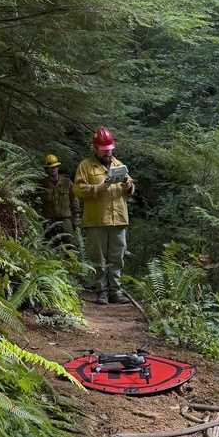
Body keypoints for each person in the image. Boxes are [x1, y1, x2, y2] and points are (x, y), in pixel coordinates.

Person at [73, 127, 134, 305]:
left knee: (117, 257)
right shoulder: (85, 166)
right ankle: (102, 292)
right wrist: (96, 188)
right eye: (104, 149)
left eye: (110, 149)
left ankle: (116, 291)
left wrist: (129, 187)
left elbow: (130, 185)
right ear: (95, 148)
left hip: (118, 218)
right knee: (98, 258)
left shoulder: (119, 165)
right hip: (96, 219)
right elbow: (78, 188)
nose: (108, 152)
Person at [39, 153, 80, 248]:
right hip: (49, 222)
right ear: (46, 169)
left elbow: (74, 200)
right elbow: (36, 202)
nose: (53, 169)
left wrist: (76, 217)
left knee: (70, 247)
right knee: (50, 247)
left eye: (55, 167)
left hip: (65, 221)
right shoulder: (41, 185)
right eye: (50, 168)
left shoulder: (67, 182)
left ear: (58, 167)